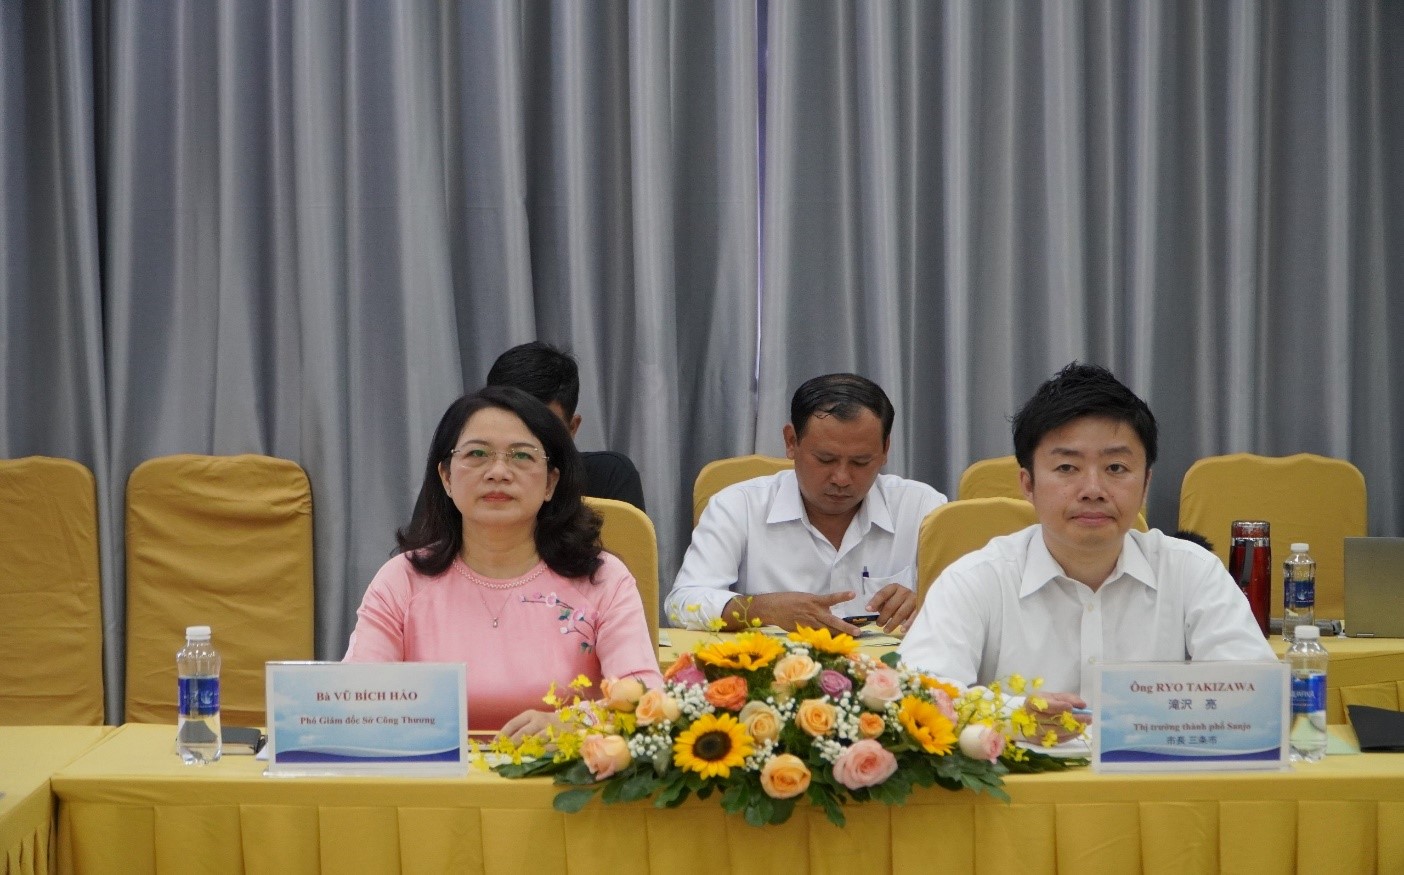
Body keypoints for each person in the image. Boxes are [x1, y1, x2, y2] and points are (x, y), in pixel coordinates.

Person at [900, 362, 1274, 733]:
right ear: (1027, 484)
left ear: (1145, 485)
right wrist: (1015, 714)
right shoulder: (975, 580)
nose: (1093, 489)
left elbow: (1256, 697)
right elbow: (919, 697)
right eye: (1066, 468)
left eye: (1115, 468)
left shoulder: (1192, 571)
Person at [344, 385, 662, 738]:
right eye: (477, 454)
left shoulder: (602, 579)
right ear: (446, 477)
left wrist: (570, 726)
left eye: (521, 456)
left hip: (559, 784)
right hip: (430, 788)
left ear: (550, 483)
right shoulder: (402, 579)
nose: (498, 472)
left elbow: (647, 700)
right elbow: (355, 702)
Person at [666, 373, 947, 634]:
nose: (841, 478)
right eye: (825, 460)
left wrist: (927, 602)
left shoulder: (923, 508)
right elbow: (682, 603)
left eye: (860, 462)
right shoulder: (738, 506)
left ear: (885, 449)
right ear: (791, 442)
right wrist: (760, 609)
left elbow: (974, 604)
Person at [486, 341, 645, 511]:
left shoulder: (609, 477)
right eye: (513, 426)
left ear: (572, 428)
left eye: (543, 431)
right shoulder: (471, 478)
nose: (526, 445)